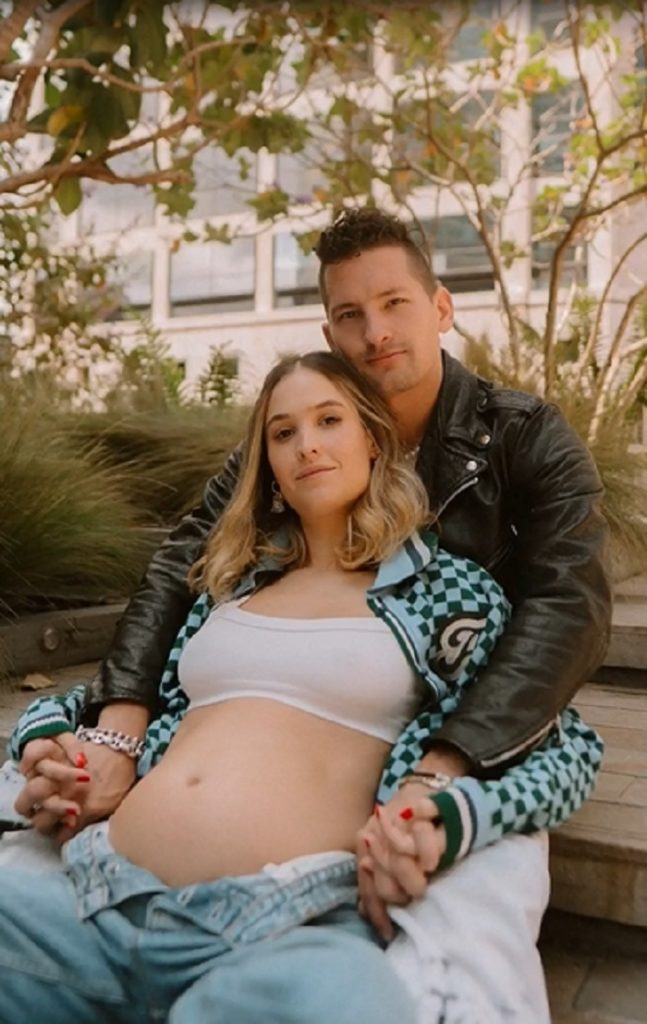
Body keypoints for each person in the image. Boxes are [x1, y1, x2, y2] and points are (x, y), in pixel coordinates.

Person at [0, 353, 602, 1023]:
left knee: (347, 1001)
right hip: (95, 896)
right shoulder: (226, 587)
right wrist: (51, 744)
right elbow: (95, 704)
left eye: (328, 421)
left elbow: (559, 744)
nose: (307, 444)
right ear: (269, 468)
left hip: (284, 927)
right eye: (282, 433)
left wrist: (443, 813)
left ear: (372, 442)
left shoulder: (448, 593)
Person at [13, 207, 611, 849]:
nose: (375, 333)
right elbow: (182, 564)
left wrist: (447, 763)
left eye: (394, 303)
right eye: (351, 315)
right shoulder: (298, 443)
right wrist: (121, 728)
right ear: (329, 331)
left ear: (441, 309)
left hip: (465, 718)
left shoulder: (525, 435)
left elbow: (569, 603)